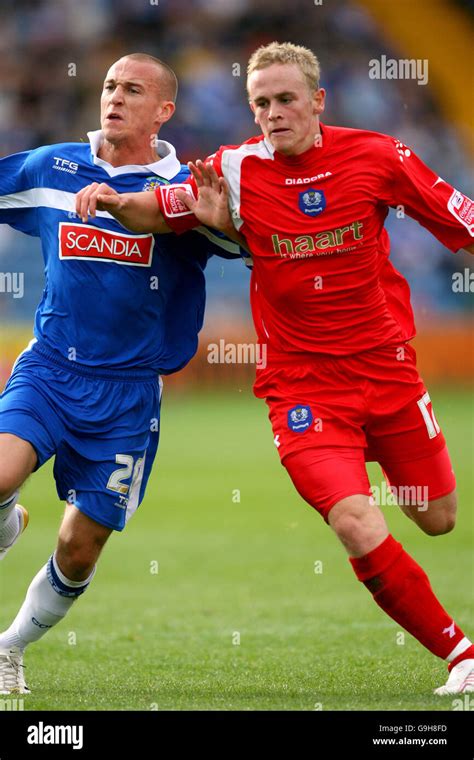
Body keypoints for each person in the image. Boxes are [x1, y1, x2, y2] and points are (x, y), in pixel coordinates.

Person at [77, 42, 474, 697]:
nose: (273, 113)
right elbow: (160, 205)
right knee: (355, 521)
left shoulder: (379, 156)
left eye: (286, 99)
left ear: (318, 101)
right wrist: (118, 204)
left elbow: (460, 220)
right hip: (303, 391)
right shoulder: (232, 171)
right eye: (260, 103)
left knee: (438, 517)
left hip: (389, 376)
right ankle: (460, 653)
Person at [0, 53, 242, 695]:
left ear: (164, 110)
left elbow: (247, 244)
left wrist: (225, 225)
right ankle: (6, 522)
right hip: (50, 366)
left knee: (81, 548)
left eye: (133, 89)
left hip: (130, 392)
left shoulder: (187, 187)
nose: (115, 97)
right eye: (110, 85)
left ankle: (10, 646)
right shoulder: (51, 166)